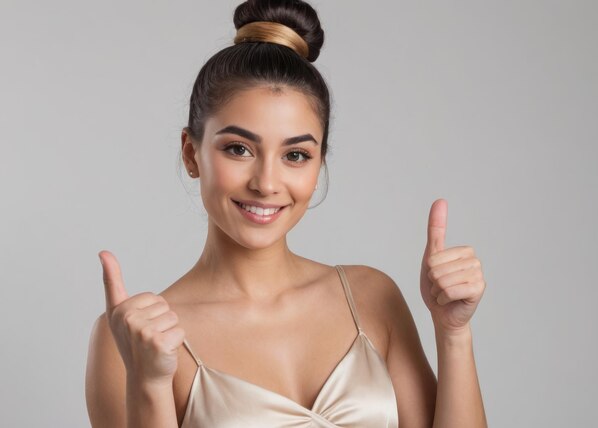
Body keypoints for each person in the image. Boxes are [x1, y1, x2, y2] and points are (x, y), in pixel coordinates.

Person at [85, 1, 488, 427]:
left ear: (319, 166)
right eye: (239, 149)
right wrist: (149, 385)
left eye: (295, 154)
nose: (267, 182)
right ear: (191, 153)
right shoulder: (131, 339)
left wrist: (454, 334)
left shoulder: (372, 298)